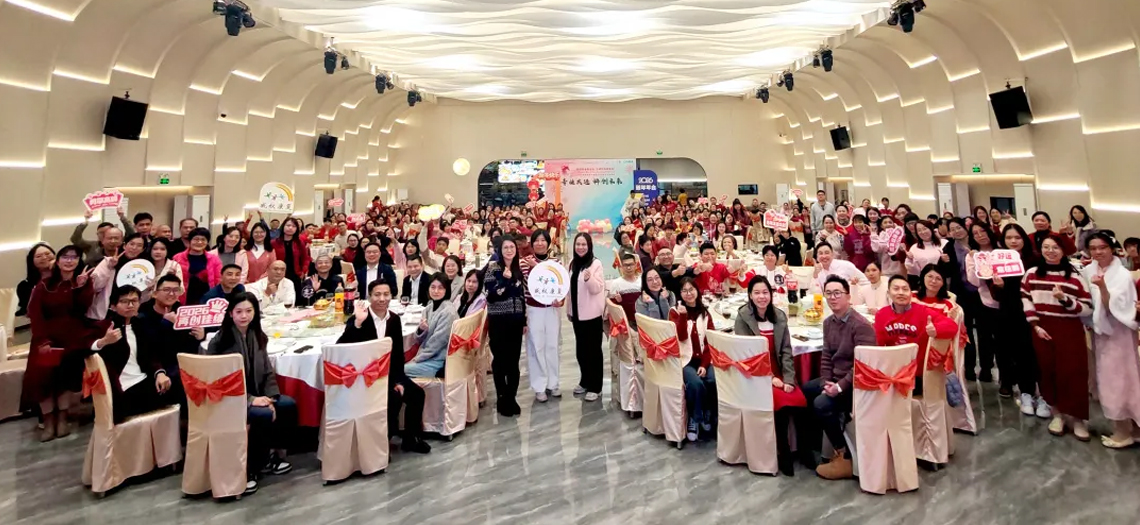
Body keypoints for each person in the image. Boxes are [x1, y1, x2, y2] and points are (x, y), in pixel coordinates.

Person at [203, 292, 296, 494]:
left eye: (248, 311)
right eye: (239, 312)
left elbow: (268, 371)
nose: (244, 316)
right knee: (261, 414)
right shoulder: (220, 342)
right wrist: (251, 400)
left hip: (258, 394)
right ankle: (250, 468)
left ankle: (273, 456)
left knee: (287, 405)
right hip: (230, 399)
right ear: (230, 314)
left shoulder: (258, 336)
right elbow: (219, 383)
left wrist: (271, 397)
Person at [337, 281, 431, 454]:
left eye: (386, 294)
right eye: (377, 294)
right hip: (366, 376)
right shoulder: (360, 318)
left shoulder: (394, 319)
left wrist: (397, 381)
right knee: (393, 397)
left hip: (389, 373)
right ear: (369, 297)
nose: (382, 299)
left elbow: (397, 355)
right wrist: (358, 323)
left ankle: (411, 438)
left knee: (417, 394)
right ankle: (381, 442)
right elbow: (342, 346)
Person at [734, 276, 810, 476]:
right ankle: (784, 452)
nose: (762, 297)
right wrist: (770, 378)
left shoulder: (779, 316)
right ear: (750, 295)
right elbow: (747, 356)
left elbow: (786, 351)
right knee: (781, 405)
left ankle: (804, 449)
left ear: (771, 294)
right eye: (757, 293)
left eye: (765, 292)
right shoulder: (743, 318)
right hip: (756, 375)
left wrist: (788, 379)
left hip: (780, 372)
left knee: (801, 400)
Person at [1022, 236, 1094, 440]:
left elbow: (1087, 308)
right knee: (1047, 371)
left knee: (1074, 373)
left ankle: (1078, 419)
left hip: (1069, 329)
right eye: (1046, 247)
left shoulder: (1075, 276)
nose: (1050, 251)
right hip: (1042, 329)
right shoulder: (1031, 274)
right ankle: (1057, 414)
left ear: (1063, 251)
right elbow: (1026, 299)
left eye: (1055, 247)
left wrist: (1065, 300)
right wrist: (1035, 325)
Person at [805, 275, 877, 480]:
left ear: (848, 296)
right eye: (828, 293)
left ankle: (844, 454)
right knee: (806, 390)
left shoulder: (861, 325)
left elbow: (863, 366)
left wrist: (839, 387)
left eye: (837, 293)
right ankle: (813, 445)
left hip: (857, 384)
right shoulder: (829, 322)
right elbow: (827, 356)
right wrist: (825, 382)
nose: (832, 297)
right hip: (836, 379)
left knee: (821, 403)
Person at [24, 245, 97, 441]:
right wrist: (43, 340)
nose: (69, 261)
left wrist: (80, 287)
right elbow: (35, 314)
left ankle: (63, 420)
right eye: (65, 257)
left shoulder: (82, 281)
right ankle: (48, 422)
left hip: (70, 338)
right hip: (45, 339)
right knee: (44, 382)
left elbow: (83, 308)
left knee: (64, 380)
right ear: (57, 261)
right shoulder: (45, 284)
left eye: (74, 257)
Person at [87, 286, 181, 423]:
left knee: (178, 384)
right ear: (113, 306)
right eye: (124, 301)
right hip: (121, 387)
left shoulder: (140, 324)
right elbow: (81, 349)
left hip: (142, 379)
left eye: (134, 301)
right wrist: (103, 342)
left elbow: (150, 354)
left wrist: (159, 373)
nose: (130, 305)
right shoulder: (104, 327)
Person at [1081, 232, 1140, 448]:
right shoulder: (1088, 271)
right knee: (1112, 378)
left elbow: (1118, 308)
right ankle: (1131, 429)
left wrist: (1103, 288)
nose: (1098, 252)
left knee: (1120, 379)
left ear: (1111, 248)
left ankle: (1124, 432)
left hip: (1119, 333)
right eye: (1093, 248)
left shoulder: (1122, 275)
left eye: (1103, 247)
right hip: (1099, 333)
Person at [872, 275, 958, 396]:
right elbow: (878, 346)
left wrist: (936, 330)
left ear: (911, 294)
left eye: (905, 289)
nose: (901, 293)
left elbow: (952, 326)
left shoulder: (922, 312)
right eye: (896, 289)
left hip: (916, 374)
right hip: (891, 372)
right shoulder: (882, 314)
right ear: (888, 293)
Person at [993, 223, 1041, 402]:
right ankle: (1008, 381)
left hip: (1029, 310)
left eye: (1017, 237)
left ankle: (1029, 388)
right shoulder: (997, 259)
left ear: (1024, 239)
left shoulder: (1034, 259)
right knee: (1004, 348)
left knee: (1026, 350)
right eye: (1009, 238)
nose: (1013, 241)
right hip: (1006, 308)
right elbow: (995, 292)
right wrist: (999, 286)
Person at [483, 237, 527, 416]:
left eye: (512, 247)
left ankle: (511, 396)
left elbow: (521, 296)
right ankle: (502, 396)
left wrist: (524, 320)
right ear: (500, 251)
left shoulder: (517, 269)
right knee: (500, 360)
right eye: (505, 247)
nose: (509, 250)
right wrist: (505, 281)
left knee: (513, 361)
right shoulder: (493, 268)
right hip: (499, 320)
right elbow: (491, 295)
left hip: (515, 321)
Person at [520, 230, 563, 402]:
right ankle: (539, 386)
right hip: (533, 309)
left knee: (552, 345)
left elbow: (560, 284)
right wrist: (534, 267)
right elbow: (529, 284)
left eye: (543, 240)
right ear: (532, 244)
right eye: (536, 240)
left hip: (552, 309)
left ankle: (553, 383)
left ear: (548, 243)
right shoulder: (524, 263)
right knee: (536, 346)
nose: (540, 243)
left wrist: (561, 299)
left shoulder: (556, 262)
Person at [675, 278, 718, 441]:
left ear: (697, 291)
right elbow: (680, 337)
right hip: (685, 360)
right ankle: (694, 417)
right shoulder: (675, 312)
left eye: (691, 289)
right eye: (684, 291)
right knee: (695, 384)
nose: (688, 294)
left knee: (713, 380)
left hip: (704, 360)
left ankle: (707, 412)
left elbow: (710, 341)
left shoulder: (705, 313)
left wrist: (705, 365)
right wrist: (682, 316)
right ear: (680, 294)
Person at [567, 233, 606, 402]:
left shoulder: (595, 264)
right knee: (581, 351)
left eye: (584, 244)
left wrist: (589, 279)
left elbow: (597, 289)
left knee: (593, 351)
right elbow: (570, 290)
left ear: (589, 246)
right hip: (577, 314)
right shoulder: (572, 263)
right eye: (578, 244)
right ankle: (585, 380)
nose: (581, 247)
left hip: (592, 315)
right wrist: (569, 310)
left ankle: (596, 386)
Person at [964, 222, 1000, 382]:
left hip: (1007, 300)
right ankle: (986, 368)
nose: (980, 235)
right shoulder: (972, 255)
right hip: (984, 300)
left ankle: (1008, 375)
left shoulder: (1001, 250)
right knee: (985, 338)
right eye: (975, 233)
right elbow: (975, 281)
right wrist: (977, 262)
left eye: (983, 231)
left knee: (1005, 339)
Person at [406, 274, 459, 378]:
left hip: (440, 359)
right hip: (428, 355)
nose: (436, 291)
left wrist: (417, 359)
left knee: (400, 371)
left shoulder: (448, 312)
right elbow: (418, 340)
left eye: (440, 288)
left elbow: (437, 342)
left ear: (447, 290)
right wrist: (421, 330)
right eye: (433, 287)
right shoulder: (428, 308)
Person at [172, 227, 222, 306]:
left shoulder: (214, 259)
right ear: (190, 241)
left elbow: (218, 280)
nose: (199, 242)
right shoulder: (177, 258)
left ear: (207, 242)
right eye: (196, 239)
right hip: (182, 299)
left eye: (203, 240)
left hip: (207, 298)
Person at [272, 217, 311, 292]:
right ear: (283, 226)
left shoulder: (299, 243)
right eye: (288, 225)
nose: (290, 228)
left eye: (293, 226)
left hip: (295, 275)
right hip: (278, 275)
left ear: (297, 229)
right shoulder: (274, 243)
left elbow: (305, 258)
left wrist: (303, 271)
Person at [16, 243, 54, 317]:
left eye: (47, 254)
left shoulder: (66, 278)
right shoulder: (24, 286)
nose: (44, 257)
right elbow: (28, 311)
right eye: (38, 256)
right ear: (32, 261)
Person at [905, 220, 944, 288]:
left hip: (941, 281)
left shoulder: (944, 243)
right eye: (919, 230)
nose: (923, 232)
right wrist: (909, 259)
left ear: (931, 229)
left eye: (925, 228)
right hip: (921, 282)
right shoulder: (914, 248)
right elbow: (912, 270)